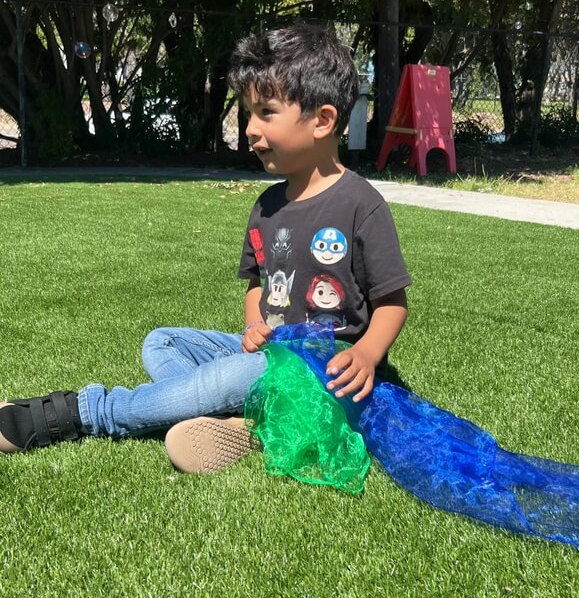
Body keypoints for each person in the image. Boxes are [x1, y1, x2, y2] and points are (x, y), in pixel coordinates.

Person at [0, 23, 412, 473]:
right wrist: (254, 327)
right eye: (248, 113)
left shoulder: (361, 205)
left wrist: (367, 354)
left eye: (266, 112)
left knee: (231, 377)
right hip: (270, 353)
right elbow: (258, 283)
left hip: (323, 370)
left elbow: (391, 302)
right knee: (163, 342)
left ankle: (85, 412)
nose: (251, 129)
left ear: (323, 120)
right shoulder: (267, 206)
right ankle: (246, 419)